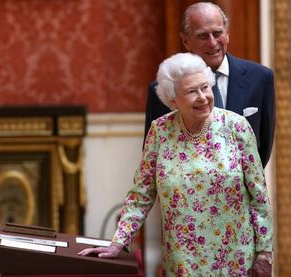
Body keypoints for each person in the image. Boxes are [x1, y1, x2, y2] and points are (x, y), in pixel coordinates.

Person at [79, 53, 273, 276]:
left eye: (205, 88)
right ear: (172, 100)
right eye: (192, 91)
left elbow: (259, 197)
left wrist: (264, 253)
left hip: (235, 260)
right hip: (182, 262)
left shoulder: (237, 127)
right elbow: (141, 194)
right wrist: (118, 242)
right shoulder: (160, 132)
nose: (202, 97)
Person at [144, 2, 275, 168]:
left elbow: (263, 147)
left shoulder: (261, 79)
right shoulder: (165, 89)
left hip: (239, 190)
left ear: (227, 34)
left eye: (218, 33)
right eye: (203, 36)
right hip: (185, 191)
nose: (213, 43)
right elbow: (153, 156)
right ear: (185, 41)